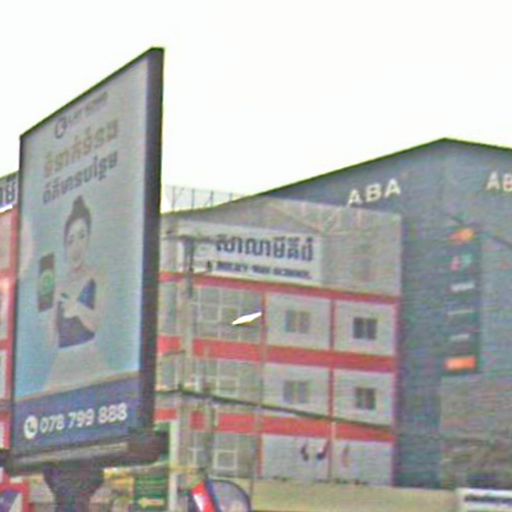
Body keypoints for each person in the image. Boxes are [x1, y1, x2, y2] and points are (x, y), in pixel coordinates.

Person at [45, 195, 109, 392]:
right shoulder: (59, 286)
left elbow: (97, 323)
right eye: (70, 240)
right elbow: (51, 339)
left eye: (82, 236)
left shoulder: (97, 276)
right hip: (63, 363)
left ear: (89, 239)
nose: (76, 247)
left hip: (88, 357)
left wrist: (78, 309)